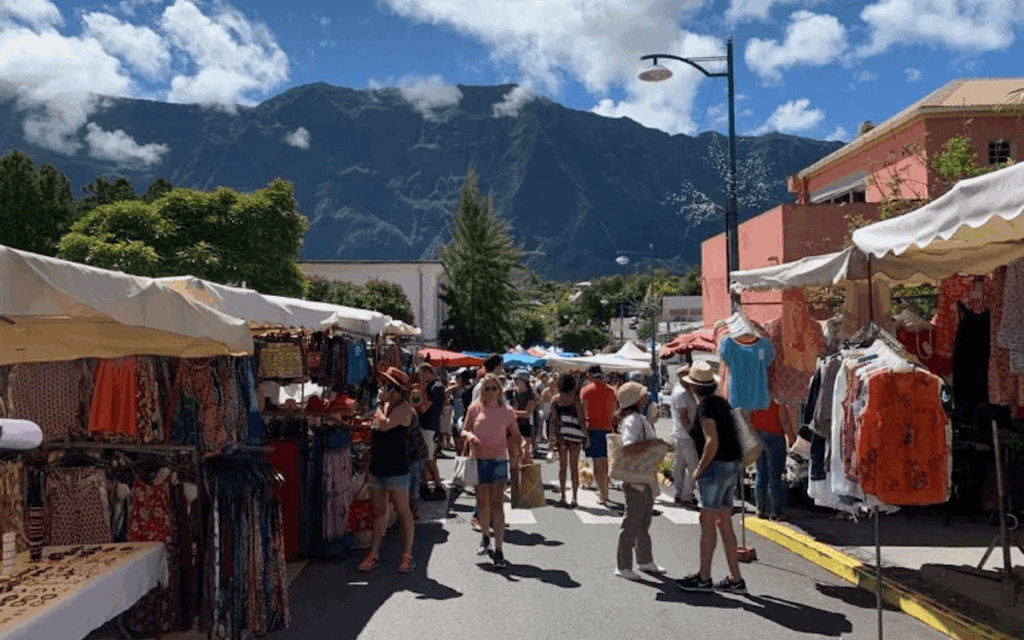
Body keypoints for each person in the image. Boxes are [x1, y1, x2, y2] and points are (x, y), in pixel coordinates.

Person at [675, 361, 747, 594]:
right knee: (724, 521)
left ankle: (704, 577)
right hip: (732, 465)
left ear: (694, 387)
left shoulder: (705, 407)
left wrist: (698, 471)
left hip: (715, 468)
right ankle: (735, 578)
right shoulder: (722, 403)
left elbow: (711, 441)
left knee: (707, 522)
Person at [359, 367, 416, 574]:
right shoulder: (382, 406)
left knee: (403, 512)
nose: (382, 387)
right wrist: (367, 467)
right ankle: (373, 553)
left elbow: (385, 426)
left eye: (387, 385)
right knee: (378, 512)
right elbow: (374, 437)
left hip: (397, 467)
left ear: (396, 389)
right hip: (378, 466)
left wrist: (380, 409)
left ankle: (407, 555)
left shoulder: (404, 408)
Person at [462, 373, 521, 569]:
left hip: (498, 460)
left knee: (497, 505)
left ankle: (499, 549)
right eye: (486, 388)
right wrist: (469, 436)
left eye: (494, 387)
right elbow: (463, 429)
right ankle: (485, 537)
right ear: (482, 390)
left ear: (500, 390)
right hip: (478, 460)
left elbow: (516, 434)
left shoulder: (506, 410)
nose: (490, 391)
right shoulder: (474, 408)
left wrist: (518, 454)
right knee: (482, 503)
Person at [615, 381, 669, 580]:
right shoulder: (633, 420)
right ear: (637, 400)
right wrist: (653, 444)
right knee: (632, 521)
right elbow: (628, 446)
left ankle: (644, 561)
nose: (646, 398)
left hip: (642, 476)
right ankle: (623, 565)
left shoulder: (638, 418)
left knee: (643, 520)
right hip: (636, 477)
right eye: (643, 395)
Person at [751, 401, 793, 521]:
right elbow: (784, 420)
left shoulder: (755, 396)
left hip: (758, 435)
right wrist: (791, 438)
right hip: (775, 436)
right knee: (775, 476)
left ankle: (760, 509)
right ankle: (776, 511)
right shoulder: (777, 397)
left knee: (761, 473)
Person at [550, 372, 588, 507]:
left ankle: (562, 496)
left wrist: (551, 440)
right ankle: (575, 497)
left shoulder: (555, 399)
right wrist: (586, 437)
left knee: (562, 467)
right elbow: (581, 420)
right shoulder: (576, 399)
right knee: (574, 468)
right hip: (574, 438)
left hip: (561, 436)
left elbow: (553, 421)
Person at [580, 365, 616, 505]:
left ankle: (602, 495)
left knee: (597, 464)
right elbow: (613, 412)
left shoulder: (586, 390)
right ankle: (605, 492)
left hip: (593, 429)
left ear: (589, 375)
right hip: (608, 428)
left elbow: (583, 414)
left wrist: (584, 433)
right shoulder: (611, 390)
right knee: (606, 464)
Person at [670, 365, 700, 507]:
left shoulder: (680, 390)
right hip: (686, 435)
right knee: (692, 465)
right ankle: (686, 494)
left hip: (680, 434)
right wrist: (692, 432)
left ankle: (679, 493)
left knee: (680, 465)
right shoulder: (682, 392)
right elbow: (683, 416)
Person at [416, 363, 446, 501]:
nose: (420, 377)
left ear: (427, 372)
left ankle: (438, 486)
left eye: (421, 374)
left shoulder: (436, 387)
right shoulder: (431, 386)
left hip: (430, 427)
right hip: (427, 426)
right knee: (426, 458)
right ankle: (426, 485)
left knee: (428, 458)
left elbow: (425, 407)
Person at [507, 369, 537, 462]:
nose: (514, 382)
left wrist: (511, 412)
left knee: (524, 453)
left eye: (516, 379)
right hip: (512, 425)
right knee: (513, 454)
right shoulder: (511, 393)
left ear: (523, 380)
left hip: (525, 425)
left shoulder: (530, 395)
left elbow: (527, 414)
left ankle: (525, 474)